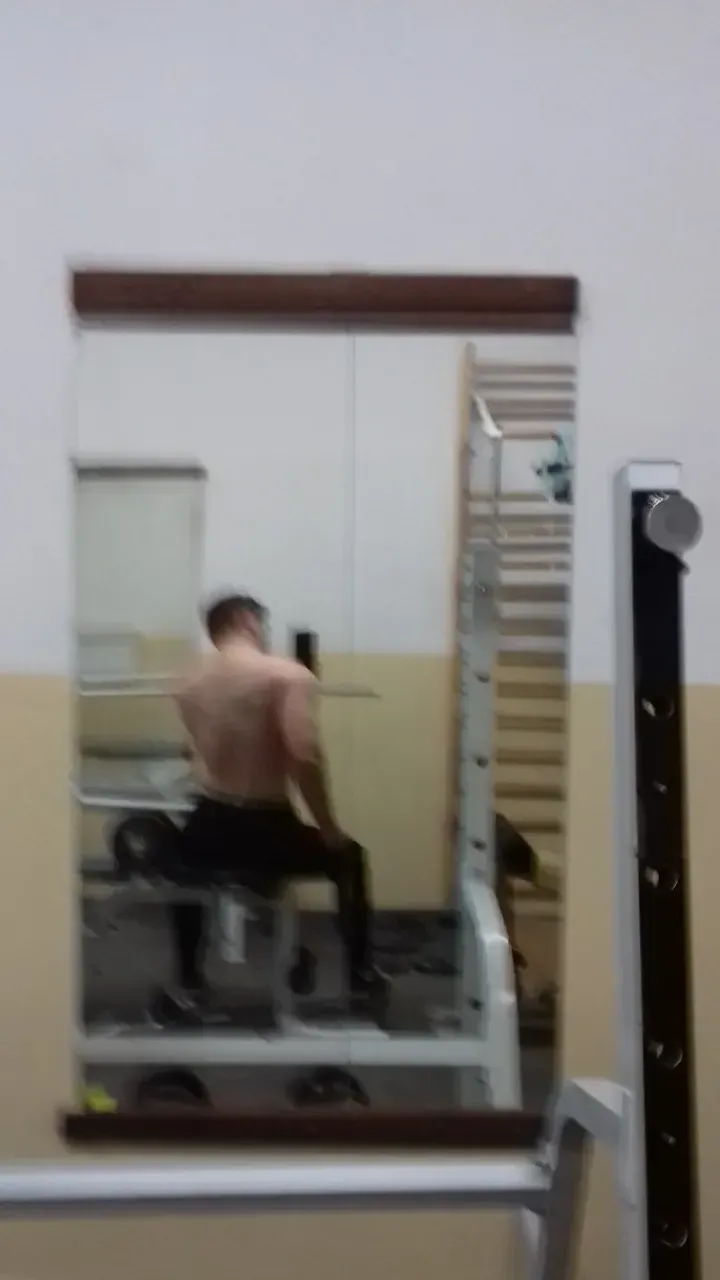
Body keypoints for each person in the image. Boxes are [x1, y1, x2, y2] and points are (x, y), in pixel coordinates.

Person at [167, 592, 388, 1017]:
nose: (265, 632)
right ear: (247, 621)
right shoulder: (286, 676)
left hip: (208, 823)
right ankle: (361, 977)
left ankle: (189, 981)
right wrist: (328, 826)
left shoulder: (187, 681)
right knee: (349, 857)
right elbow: (304, 756)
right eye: (262, 624)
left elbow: (201, 753)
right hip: (266, 826)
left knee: (181, 868)